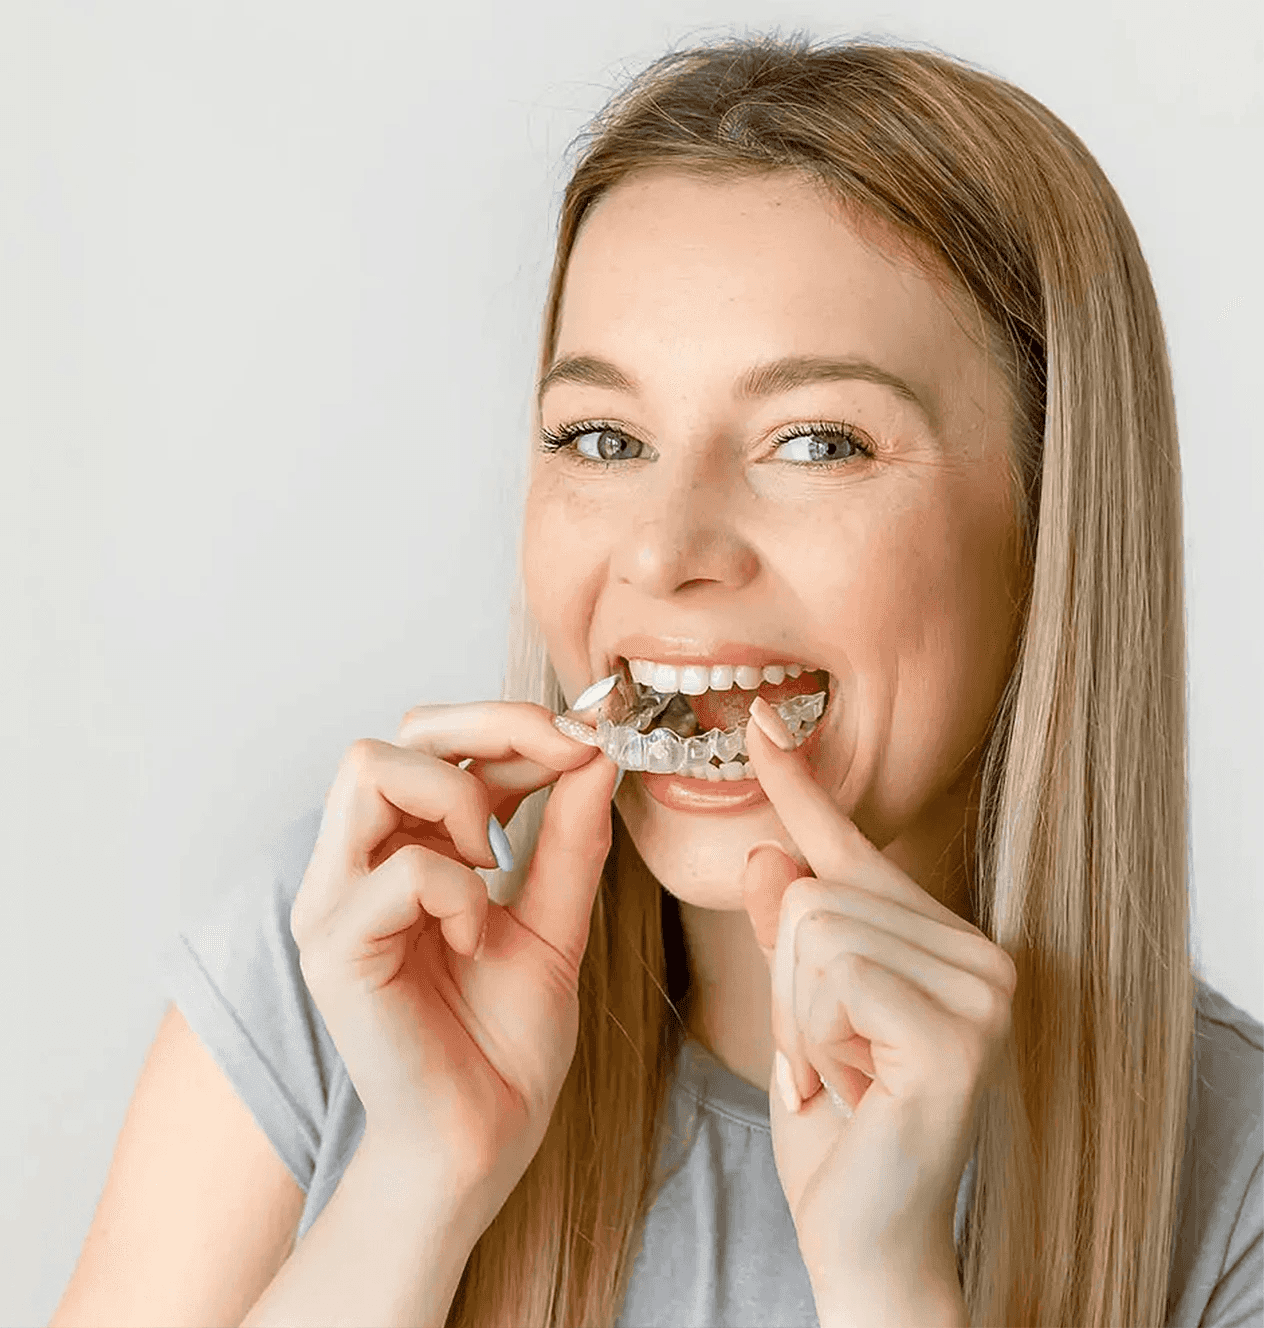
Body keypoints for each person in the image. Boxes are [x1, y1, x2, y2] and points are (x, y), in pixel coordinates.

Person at [51, 32, 1261, 1328]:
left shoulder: (1234, 1186)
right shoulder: (348, 967)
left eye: (816, 442)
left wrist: (892, 1287)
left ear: (1052, 523)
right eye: (603, 437)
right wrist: (417, 1177)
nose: (665, 550)